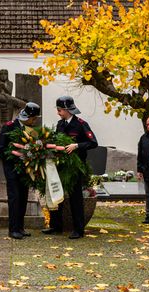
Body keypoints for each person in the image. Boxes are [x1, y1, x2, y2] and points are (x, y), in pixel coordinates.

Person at [41, 96, 98, 239]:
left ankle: (78, 229)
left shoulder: (81, 124)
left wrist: (77, 145)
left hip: (75, 167)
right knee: (56, 194)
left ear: (67, 110)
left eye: (60, 110)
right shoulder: (60, 124)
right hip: (61, 165)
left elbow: (93, 142)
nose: (58, 113)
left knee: (75, 198)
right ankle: (56, 226)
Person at [0, 102, 41, 240]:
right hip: (12, 168)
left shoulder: (30, 129)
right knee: (14, 198)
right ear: (27, 116)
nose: (34, 121)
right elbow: (1, 148)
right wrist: (17, 154)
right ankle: (13, 229)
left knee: (23, 197)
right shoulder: (9, 127)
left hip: (25, 169)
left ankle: (20, 227)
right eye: (34, 118)